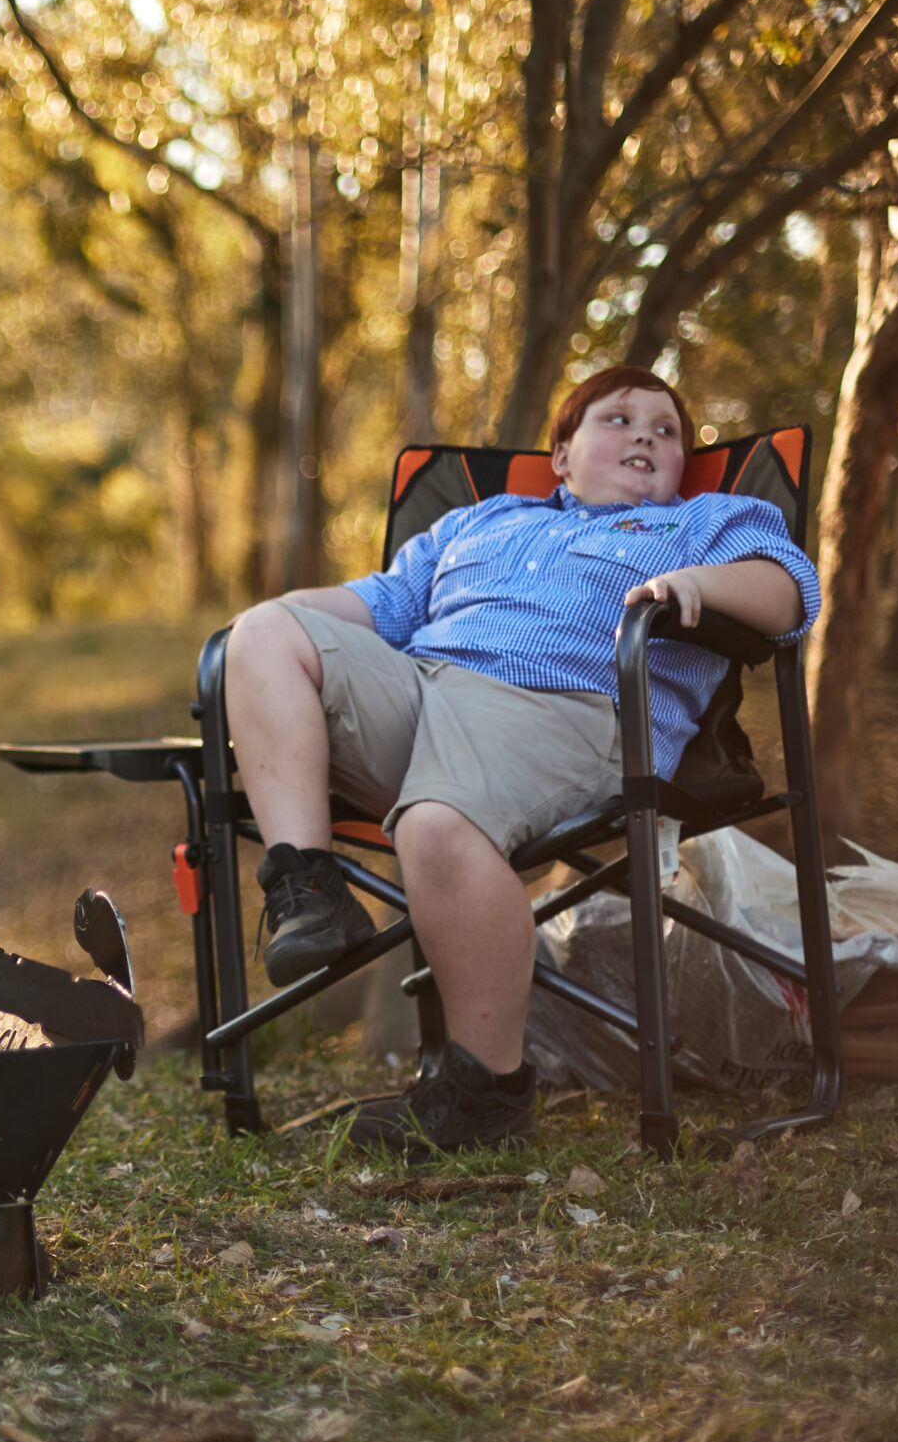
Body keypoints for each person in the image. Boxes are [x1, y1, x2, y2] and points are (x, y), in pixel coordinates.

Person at [222, 366, 820, 1153]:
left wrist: (695, 581)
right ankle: (308, 887)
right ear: (562, 457)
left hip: (565, 704)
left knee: (436, 828)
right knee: (262, 633)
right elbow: (381, 605)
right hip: (423, 689)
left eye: (666, 429)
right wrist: (259, 640)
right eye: (618, 419)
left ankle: (486, 1092)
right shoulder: (484, 519)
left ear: (679, 465)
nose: (645, 434)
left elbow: (789, 592)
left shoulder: (705, 520)